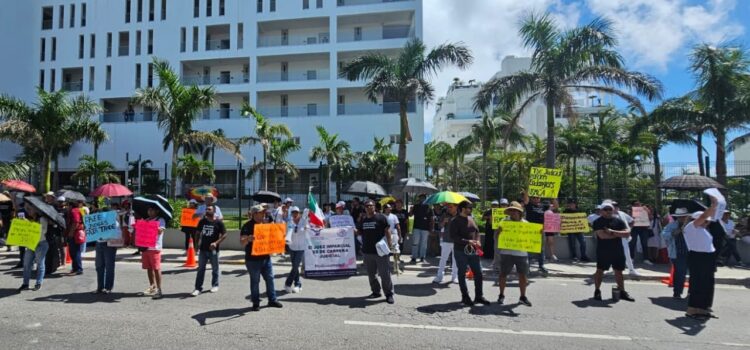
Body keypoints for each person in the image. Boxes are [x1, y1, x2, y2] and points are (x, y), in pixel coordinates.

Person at [683, 195, 720, 319]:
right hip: (698, 257)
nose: (707, 221)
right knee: (698, 283)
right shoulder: (691, 227)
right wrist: (713, 206)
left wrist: (715, 209)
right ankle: (693, 309)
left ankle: (703, 308)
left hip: (707, 258)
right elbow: (704, 216)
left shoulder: (703, 229)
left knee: (707, 284)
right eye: (705, 220)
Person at [241, 204, 283, 311]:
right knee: (255, 281)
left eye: (264, 212)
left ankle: (272, 300)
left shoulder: (265, 224)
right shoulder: (247, 226)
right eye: (261, 212)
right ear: (255, 214)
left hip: (266, 258)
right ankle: (255, 303)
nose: (264, 214)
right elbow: (242, 241)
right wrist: (249, 239)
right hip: (252, 259)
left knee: (270, 279)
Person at [592, 202, 635, 302]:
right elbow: (602, 236)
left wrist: (612, 232)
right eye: (605, 209)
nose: (608, 211)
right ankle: (597, 290)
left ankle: (622, 291)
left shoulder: (618, 221)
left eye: (610, 209)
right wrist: (619, 234)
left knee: (619, 271)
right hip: (603, 251)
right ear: (601, 211)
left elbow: (627, 234)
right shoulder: (598, 222)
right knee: (600, 271)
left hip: (617, 250)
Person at [451, 200, 489, 306]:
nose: (471, 209)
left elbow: (476, 231)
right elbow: (453, 237)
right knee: (462, 273)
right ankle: (465, 296)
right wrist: (468, 241)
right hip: (460, 251)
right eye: (469, 207)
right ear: (462, 209)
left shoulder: (471, 218)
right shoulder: (455, 221)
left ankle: (479, 296)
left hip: (473, 250)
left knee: (479, 273)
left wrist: (478, 241)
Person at [356, 199, 394, 304]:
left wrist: (390, 244)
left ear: (374, 207)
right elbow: (359, 232)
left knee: (384, 273)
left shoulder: (381, 217)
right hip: (367, 251)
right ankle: (376, 291)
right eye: (367, 206)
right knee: (371, 274)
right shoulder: (363, 220)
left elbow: (387, 231)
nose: (369, 207)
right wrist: (352, 230)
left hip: (380, 251)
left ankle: (389, 294)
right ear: (364, 208)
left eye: (371, 205)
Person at [496, 201, 534, 306]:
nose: (513, 212)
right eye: (511, 210)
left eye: (515, 211)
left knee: (523, 275)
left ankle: (523, 297)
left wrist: (537, 233)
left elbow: (531, 238)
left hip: (521, 254)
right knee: (503, 274)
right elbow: (497, 237)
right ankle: (501, 295)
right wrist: (498, 233)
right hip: (506, 253)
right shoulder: (503, 222)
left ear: (520, 212)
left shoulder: (526, 224)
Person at [191, 204, 227, 296]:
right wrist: (196, 246)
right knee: (200, 269)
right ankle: (198, 288)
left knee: (215, 269)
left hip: (214, 250)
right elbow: (197, 233)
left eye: (209, 209)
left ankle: (215, 285)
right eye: (206, 209)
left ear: (214, 211)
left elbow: (224, 235)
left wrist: (216, 243)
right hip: (203, 249)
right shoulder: (202, 221)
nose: (207, 210)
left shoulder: (219, 222)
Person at [661, 208, 691, 299]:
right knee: (680, 273)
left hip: (691, 252)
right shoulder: (672, 225)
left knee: (694, 273)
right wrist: (679, 229)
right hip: (678, 253)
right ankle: (677, 292)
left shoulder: (692, 225)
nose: (682, 218)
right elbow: (664, 235)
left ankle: (691, 293)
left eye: (684, 217)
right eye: (680, 217)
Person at [19, 206, 50, 291]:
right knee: (26, 264)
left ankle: (38, 283)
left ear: (36, 210)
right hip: (31, 243)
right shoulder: (32, 219)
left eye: (30, 209)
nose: (28, 210)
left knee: (40, 264)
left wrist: (29, 224)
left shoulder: (42, 219)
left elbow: (42, 232)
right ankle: (25, 284)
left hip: (41, 244)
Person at [522, 191, 551, 274]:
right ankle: (527, 267)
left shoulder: (544, 206)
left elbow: (555, 207)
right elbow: (525, 199)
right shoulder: (529, 205)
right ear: (531, 198)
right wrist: (527, 190)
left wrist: (553, 196)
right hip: (530, 230)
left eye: (537, 197)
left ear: (540, 198)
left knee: (541, 249)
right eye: (534, 197)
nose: (536, 199)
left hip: (540, 230)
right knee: (528, 248)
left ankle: (541, 266)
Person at [94, 208, 122, 294]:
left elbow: (118, 234)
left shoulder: (114, 223)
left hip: (109, 246)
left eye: (103, 213)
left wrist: (106, 236)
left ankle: (108, 287)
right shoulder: (98, 222)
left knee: (109, 267)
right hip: (99, 244)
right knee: (99, 267)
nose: (101, 215)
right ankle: (100, 287)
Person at [140, 206, 166, 299]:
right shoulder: (145, 219)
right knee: (149, 268)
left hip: (155, 248)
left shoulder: (160, 219)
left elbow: (160, 231)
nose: (149, 211)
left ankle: (159, 290)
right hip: (145, 247)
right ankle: (152, 287)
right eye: (148, 209)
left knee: (156, 268)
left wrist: (152, 226)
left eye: (151, 210)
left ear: (157, 211)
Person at [433, 203, 458, 284]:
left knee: (455, 260)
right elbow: (440, 226)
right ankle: (439, 276)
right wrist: (444, 222)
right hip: (446, 240)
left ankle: (455, 277)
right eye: (448, 207)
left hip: (457, 241)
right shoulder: (445, 215)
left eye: (451, 207)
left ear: (456, 207)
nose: (449, 208)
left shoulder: (460, 216)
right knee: (443, 259)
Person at [284, 206, 307, 293]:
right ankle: (298, 284)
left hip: (301, 247)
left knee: (295, 266)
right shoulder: (289, 222)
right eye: (293, 212)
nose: (295, 214)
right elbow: (287, 233)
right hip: (292, 247)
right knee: (295, 267)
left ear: (299, 213)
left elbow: (308, 228)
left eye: (296, 212)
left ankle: (288, 283)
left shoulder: (304, 221)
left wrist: (306, 228)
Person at [409, 193, 432, 264]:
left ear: (425, 199)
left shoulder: (428, 207)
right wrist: (411, 209)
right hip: (416, 227)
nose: (422, 199)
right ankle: (414, 257)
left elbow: (431, 219)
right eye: (421, 198)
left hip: (425, 228)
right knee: (415, 242)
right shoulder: (415, 206)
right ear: (419, 198)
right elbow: (410, 215)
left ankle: (422, 257)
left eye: (423, 198)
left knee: (423, 244)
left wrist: (431, 228)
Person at [66, 200, 86, 276]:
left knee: (75, 252)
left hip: (75, 234)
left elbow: (76, 222)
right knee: (73, 252)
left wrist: (71, 233)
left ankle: (78, 269)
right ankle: (75, 268)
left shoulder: (74, 211)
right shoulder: (78, 210)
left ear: (71, 205)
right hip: (76, 233)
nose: (67, 207)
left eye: (67, 205)